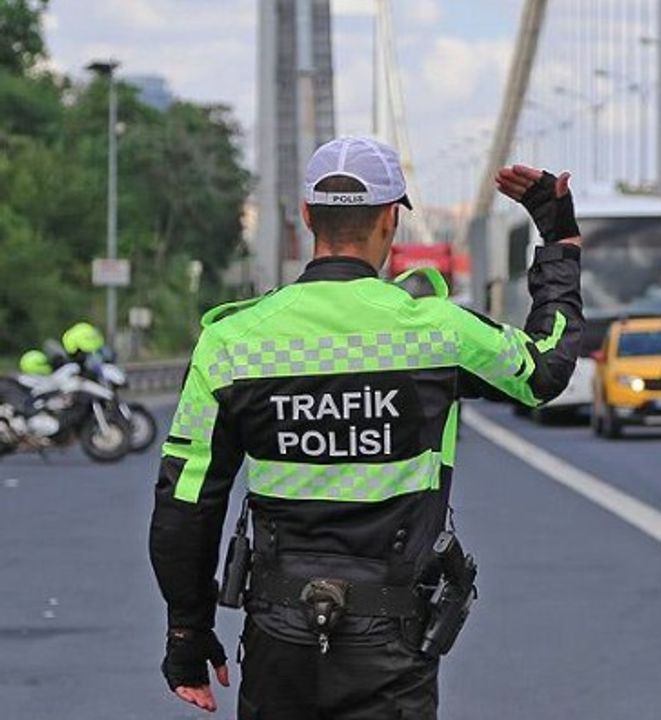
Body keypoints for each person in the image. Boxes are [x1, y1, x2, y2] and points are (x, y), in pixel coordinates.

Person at [148, 135, 584, 719]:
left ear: (307, 217)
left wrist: (187, 635)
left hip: (279, 636)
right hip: (393, 639)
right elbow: (545, 370)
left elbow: (185, 503)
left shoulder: (232, 343)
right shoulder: (436, 332)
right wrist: (558, 241)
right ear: (389, 220)